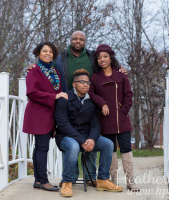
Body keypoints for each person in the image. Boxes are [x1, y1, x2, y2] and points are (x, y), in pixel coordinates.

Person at [28, 31, 128, 186]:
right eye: (75, 38)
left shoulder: (92, 57)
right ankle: (69, 179)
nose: (78, 41)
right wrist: (34, 66)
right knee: (70, 143)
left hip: (87, 101)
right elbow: (43, 70)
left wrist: (119, 69)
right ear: (70, 40)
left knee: (99, 141)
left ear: (85, 42)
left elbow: (105, 64)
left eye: (81, 39)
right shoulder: (60, 58)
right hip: (66, 101)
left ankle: (94, 178)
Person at [54, 69, 124, 197]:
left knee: (108, 144)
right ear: (74, 84)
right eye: (82, 82)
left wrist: (92, 139)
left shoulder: (91, 101)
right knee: (73, 146)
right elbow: (63, 124)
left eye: (88, 82)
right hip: (66, 137)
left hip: (87, 137)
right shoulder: (64, 99)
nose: (86, 84)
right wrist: (82, 141)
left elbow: (95, 124)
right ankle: (67, 182)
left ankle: (103, 179)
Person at [88, 44, 140, 192]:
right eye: (99, 58)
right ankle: (114, 180)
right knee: (110, 151)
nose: (102, 60)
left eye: (105, 56)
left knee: (126, 150)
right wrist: (102, 103)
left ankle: (131, 181)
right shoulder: (95, 78)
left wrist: (123, 111)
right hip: (105, 119)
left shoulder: (121, 75)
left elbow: (129, 95)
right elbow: (91, 94)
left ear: (110, 58)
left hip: (122, 120)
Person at [22, 42, 68, 192]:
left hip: (49, 115)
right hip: (38, 114)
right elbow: (32, 93)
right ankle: (43, 180)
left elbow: (59, 91)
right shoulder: (34, 71)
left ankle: (38, 180)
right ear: (38, 53)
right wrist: (54, 97)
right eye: (44, 51)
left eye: (50, 52)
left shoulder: (54, 72)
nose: (48, 54)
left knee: (40, 148)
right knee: (42, 148)